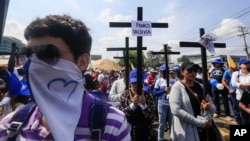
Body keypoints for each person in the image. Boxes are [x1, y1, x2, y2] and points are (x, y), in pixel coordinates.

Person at [0, 14, 131, 141]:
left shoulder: (112, 125)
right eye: (28, 53)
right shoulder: (9, 125)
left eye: (46, 52)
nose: (34, 63)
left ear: (82, 62)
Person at [169, 62, 217, 141]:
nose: (193, 73)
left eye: (195, 70)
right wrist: (199, 123)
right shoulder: (177, 87)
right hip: (188, 130)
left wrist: (209, 107)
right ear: (182, 72)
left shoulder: (201, 86)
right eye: (189, 70)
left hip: (205, 128)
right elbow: (176, 110)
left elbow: (213, 108)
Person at [119, 69, 155, 141]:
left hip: (145, 132)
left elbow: (152, 117)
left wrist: (144, 106)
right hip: (128, 132)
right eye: (133, 82)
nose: (135, 85)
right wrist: (132, 105)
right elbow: (121, 115)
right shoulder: (125, 95)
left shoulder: (147, 95)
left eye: (138, 83)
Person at [153, 64, 177, 141]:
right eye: (164, 71)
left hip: (171, 105)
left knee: (172, 124)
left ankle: (172, 138)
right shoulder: (158, 81)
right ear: (161, 72)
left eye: (167, 71)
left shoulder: (173, 81)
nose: (165, 73)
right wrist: (164, 90)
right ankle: (160, 139)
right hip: (162, 104)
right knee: (161, 124)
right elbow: (155, 93)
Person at [231, 58, 250, 125]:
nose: (247, 65)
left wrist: (242, 85)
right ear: (240, 66)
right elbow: (235, 84)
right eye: (245, 64)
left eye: (248, 63)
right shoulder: (236, 73)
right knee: (245, 118)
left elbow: (239, 85)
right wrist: (247, 85)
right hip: (241, 98)